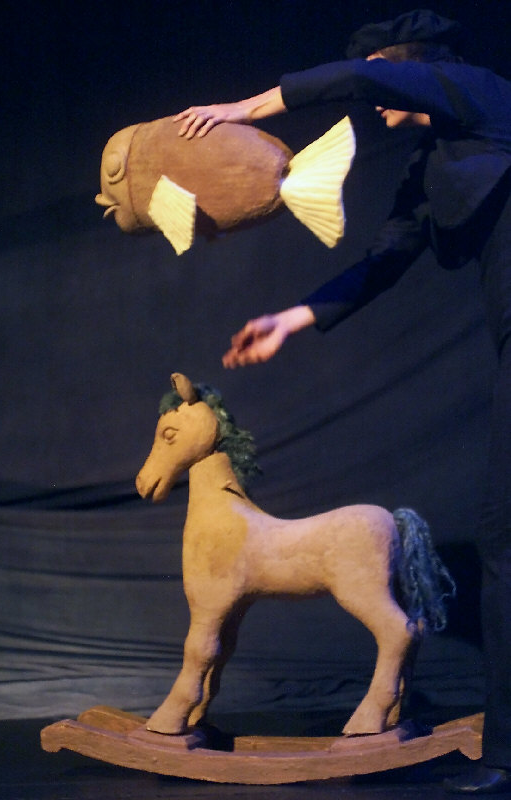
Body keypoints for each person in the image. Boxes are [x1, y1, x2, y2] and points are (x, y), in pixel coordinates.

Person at [173, 9, 511, 794]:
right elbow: (385, 258)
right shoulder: (433, 162)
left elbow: (359, 75)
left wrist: (241, 110)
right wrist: (291, 319)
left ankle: (505, 752)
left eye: (383, 81)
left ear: (410, 69)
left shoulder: (483, 94)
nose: (371, 101)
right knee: (504, 540)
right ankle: (506, 748)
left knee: (503, 541)